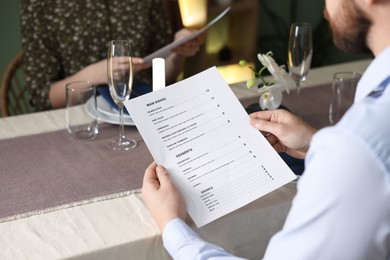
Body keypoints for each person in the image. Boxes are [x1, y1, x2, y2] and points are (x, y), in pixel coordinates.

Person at [142, 0, 390, 258]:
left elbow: (367, 158)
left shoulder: (360, 144)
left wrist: (172, 226)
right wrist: (316, 145)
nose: (324, 7)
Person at [20, 0, 204, 111]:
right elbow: (42, 97)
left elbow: (161, 77)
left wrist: (178, 53)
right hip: (81, 122)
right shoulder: (40, 5)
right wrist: (92, 76)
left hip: (146, 113)